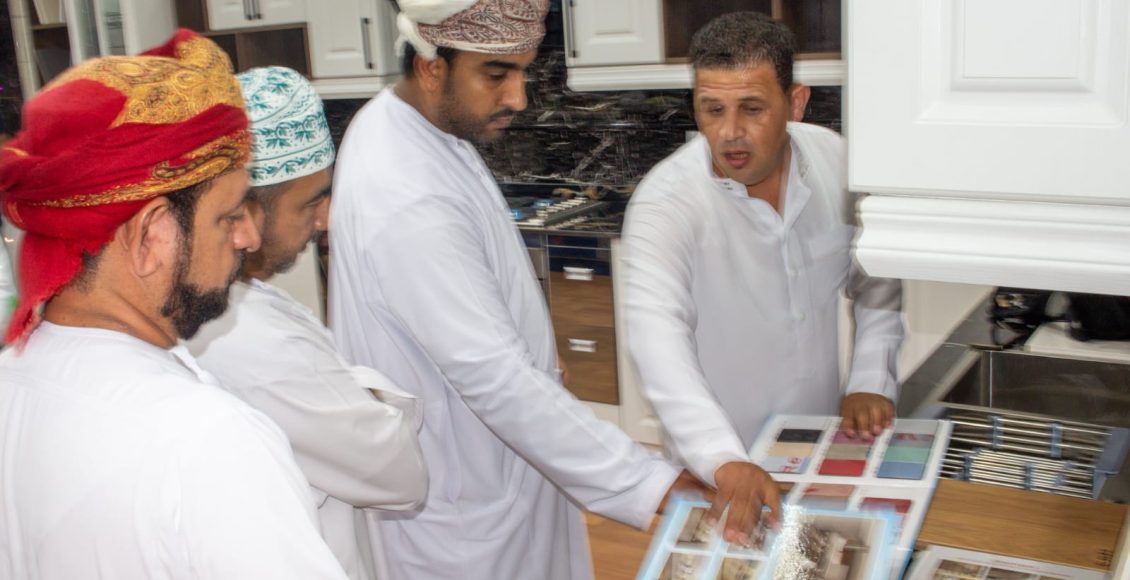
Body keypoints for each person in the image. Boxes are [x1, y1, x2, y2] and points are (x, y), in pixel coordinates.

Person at [328, 1, 776, 578]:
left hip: (500, 468)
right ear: (432, 67)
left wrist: (534, 348)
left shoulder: (413, 125)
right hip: (462, 506)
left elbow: (470, 311)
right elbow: (493, 377)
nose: (518, 97)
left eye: (523, 72)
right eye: (497, 74)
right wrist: (654, 484)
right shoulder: (406, 191)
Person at [0, 30, 347, 578]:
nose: (248, 238)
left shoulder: (13, 382)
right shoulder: (207, 442)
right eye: (229, 216)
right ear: (151, 234)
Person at [621, 12, 905, 500]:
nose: (729, 132)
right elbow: (656, 338)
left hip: (822, 444)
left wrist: (871, 379)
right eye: (712, 110)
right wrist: (720, 458)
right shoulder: (664, 204)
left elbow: (877, 277)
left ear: (796, 103)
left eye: (752, 109)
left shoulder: (836, 161)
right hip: (719, 463)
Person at [187, 66, 428, 580]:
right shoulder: (255, 340)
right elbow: (398, 474)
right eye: (310, 202)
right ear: (246, 212)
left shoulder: (217, 306)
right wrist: (369, 395)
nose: (326, 218)